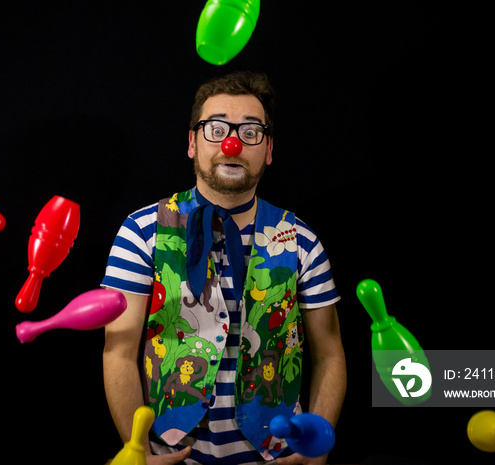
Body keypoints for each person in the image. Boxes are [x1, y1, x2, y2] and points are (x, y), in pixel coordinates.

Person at [101, 71, 346, 465]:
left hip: (278, 456)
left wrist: (316, 448)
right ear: (192, 143)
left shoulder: (300, 239)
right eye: (216, 129)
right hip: (173, 456)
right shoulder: (141, 232)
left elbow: (330, 352)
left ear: (267, 150)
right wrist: (138, 452)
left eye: (250, 131)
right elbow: (118, 350)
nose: (232, 144)